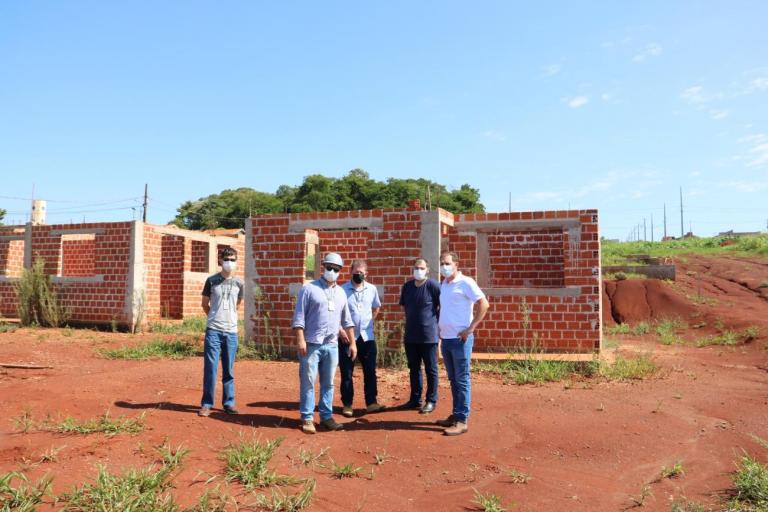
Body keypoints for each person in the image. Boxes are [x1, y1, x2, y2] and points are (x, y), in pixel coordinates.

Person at [292, 252, 356, 434]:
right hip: (311, 344)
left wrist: (352, 343)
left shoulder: (342, 293)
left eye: (335, 269)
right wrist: (300, 340)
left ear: (340, 271)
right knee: (308, 381)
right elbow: (299, 317)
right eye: (329, 267)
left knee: (328, 383)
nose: (331, 271)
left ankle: (326, 417)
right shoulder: (308, 289)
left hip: (331, 345)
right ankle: (307, 417)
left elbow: (347, 321)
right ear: (323, 267)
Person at [436, 251, 489, 436]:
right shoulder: (443, 284)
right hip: (447, 339)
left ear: (456, 264)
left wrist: (471, 328)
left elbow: (484, 304)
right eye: (442, 263)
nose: (444, 266)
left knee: (462, 379)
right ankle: (456, 413)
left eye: (447, 263)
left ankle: (461, 420)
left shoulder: (466, 282)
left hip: (461, 340)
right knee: (453, 379)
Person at [199, 247, 244, 417]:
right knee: (210, 368)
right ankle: (207, 403)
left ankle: (229, 403)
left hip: (231, 332)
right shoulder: (211, 281)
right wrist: (214, 317)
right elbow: (205, 304)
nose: (229, 263)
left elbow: (237, 305)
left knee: (229, 369)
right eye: (226, 259)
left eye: (233, 259)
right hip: (214, 331)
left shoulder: (240, 283)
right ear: (220, 260)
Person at [338, 259, 385, 417]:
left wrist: (369, 321)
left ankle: (371, 402)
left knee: (370, 371)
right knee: (347, 372)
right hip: (347, 337)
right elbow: (335, 313)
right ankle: (347, 404)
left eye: (362, 273)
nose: (359, 275)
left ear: (366, 274)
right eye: (356, 272)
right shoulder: (342, 290)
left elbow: (376, 306)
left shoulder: (371, 289)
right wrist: (340, 329)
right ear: (350, 272)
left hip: (367, 337)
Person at [398, 258, 441, 414]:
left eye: (422, 268)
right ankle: (415, 399)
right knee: (414, 368)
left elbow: (442, 306)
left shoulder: (433, 286)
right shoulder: (407, 287)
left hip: (429, 336)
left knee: (431, 369)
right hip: (411, 336)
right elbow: (406, 308)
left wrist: (438, 328)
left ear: (427, 270)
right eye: (416, 267)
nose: (418, 270)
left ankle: (431, 400)